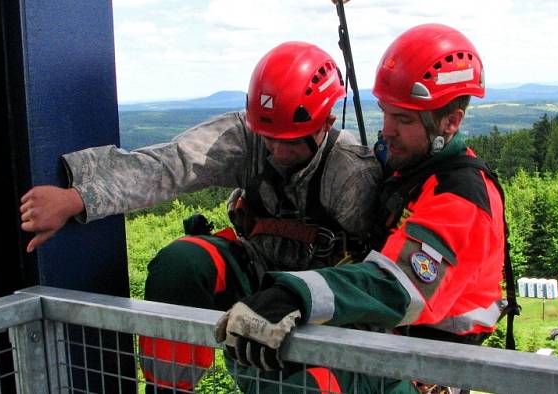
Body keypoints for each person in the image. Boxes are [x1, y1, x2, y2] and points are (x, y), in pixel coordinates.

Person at [19, 41, 382, 392]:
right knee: (181, 265)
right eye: (268, 136)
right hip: (256, 269)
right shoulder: (247, 136)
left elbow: (379, 271)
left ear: (325, 123)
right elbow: (173, 164)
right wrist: (77, 198)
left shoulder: (351, 176)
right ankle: (170, 387)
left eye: (288, 140)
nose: (274, 149)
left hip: (318, 298)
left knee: (295, 383)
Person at [215, 24, 512, 393]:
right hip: (389, 344)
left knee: (303, 387)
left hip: (429, 364)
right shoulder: (410, 169)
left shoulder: (461, 197)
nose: (386, 131)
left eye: (403, 119)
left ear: (450, 122)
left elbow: (399, 285)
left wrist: (296, 294)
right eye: (386, 112)